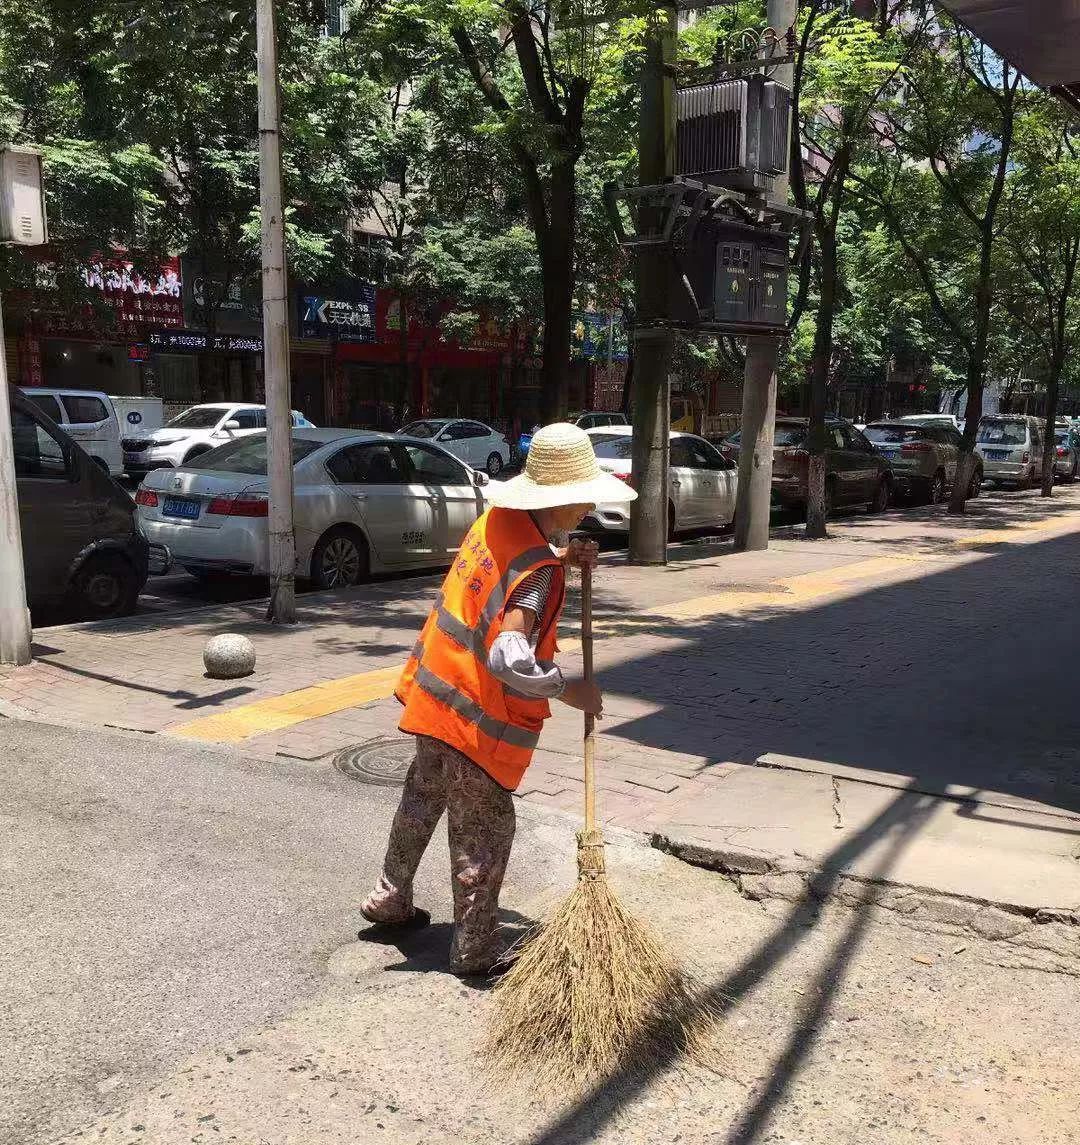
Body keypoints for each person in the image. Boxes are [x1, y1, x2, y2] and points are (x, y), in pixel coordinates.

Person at [359, 422, 638, 976]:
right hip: (475, 718)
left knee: (421, 798)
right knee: (485, 831)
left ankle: (390, 897)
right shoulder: (538, 575)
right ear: (565, 496)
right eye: (584, 496)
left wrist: (564, 552)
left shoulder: (498, 523)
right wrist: (567, 687)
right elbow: (509, 655)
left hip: (434, 695)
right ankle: (474, 950)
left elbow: (513, 565)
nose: (588, 506)